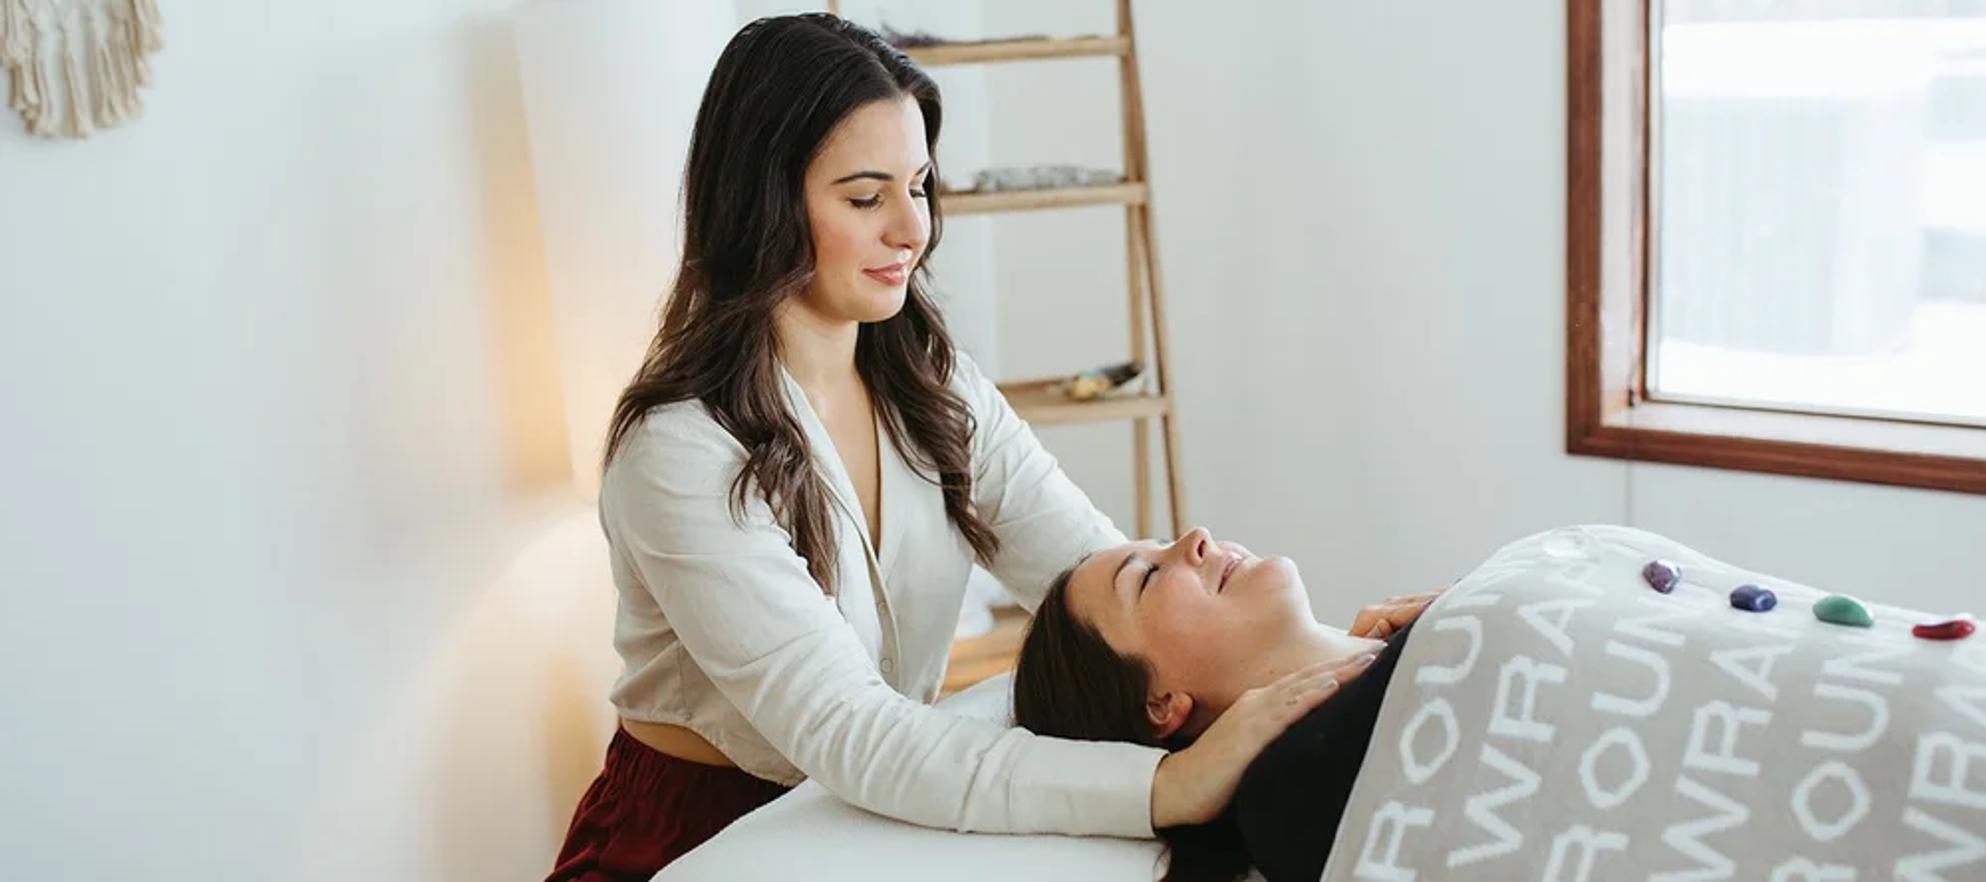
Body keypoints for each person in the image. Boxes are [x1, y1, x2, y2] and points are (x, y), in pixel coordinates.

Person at [546, 16, 1352, 881]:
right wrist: (1166, 781)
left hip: (875, 816)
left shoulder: (932, 382)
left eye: (920, 185)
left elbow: (1099, 582)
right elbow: (852, 732)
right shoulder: (679, 451)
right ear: (764, 203)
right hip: (689, 834)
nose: (912, 230)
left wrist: (1335, 657)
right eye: (865, 198)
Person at [1012, 527, 1443, 882]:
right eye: (1146, 577)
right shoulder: (1294, 789)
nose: (1196, 537)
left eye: (1162, 540)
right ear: (1159, 705)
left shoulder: (1429, 620)